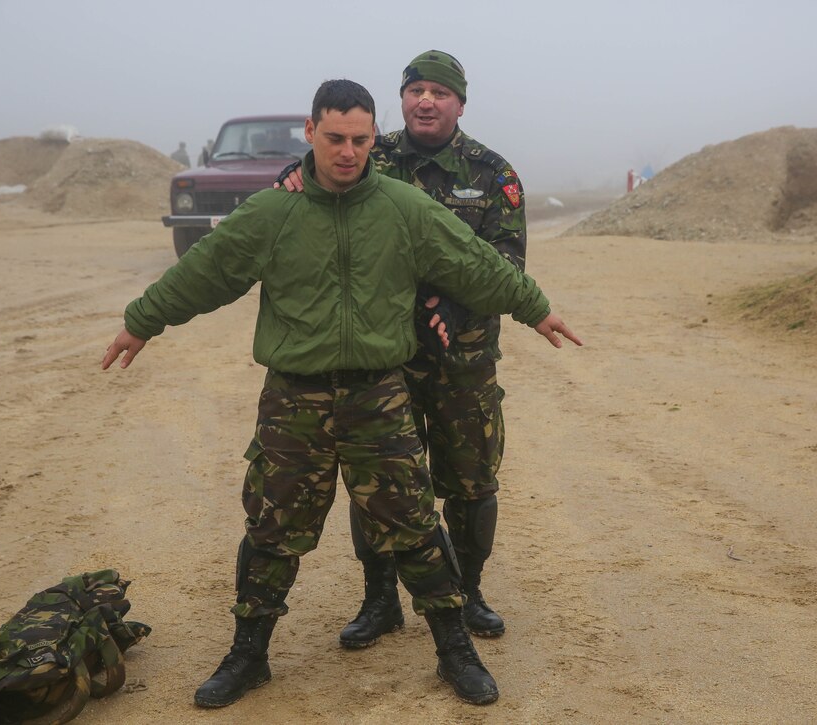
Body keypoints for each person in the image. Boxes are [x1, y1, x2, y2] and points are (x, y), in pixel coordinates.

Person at [101, 79, 581, 709]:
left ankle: (454, 651)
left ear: (371, 137)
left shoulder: (404, 208)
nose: (348, 151)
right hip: (293, 401)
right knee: (273, 530)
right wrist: (143, 320)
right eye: (335, 138)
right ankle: (248, 655)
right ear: (311, 133)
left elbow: (474, 263)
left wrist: (534, 308)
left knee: (414, 525)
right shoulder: (276, 211)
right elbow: (206, 270)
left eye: (359, 139)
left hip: (377, 396)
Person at [278, 50, 527, 645]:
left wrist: (456, 302)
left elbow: (508, 263)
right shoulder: (372, 153)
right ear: (402, 99)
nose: (426, 100)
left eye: (440, 92)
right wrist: (286, 175)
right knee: (378, 480)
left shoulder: (494, 174)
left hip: (462, 359)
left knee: (471, 480)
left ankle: (467, 593)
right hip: (380, 355)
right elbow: (315, 175)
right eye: (416, 89)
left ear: (459, 104)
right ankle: (380, 599)